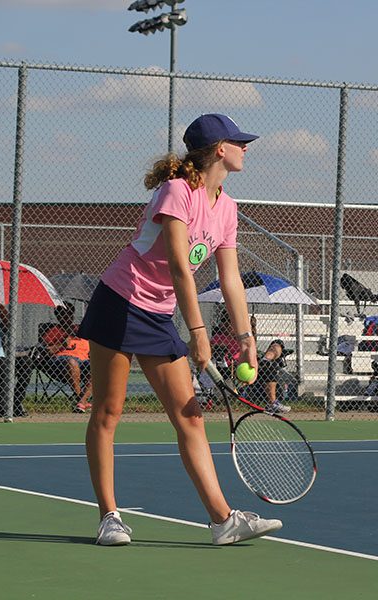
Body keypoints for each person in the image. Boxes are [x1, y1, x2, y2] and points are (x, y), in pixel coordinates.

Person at [77, 113, 281, 546]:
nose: (247, 148)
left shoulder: (226, 207)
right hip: (120, 301)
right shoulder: (177, 192)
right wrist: (199, 331)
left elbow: (230, 279)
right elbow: (178, 266)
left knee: (191, 416)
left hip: (159, 313)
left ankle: (223, 520)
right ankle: (109, 518)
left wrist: (246, 338)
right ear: (218, 150)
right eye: (238, 142)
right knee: (108, 412)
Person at [40, 302, 92, 413]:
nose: (67, 316)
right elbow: (46, 352)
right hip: (61, 363)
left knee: (98, 365)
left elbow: (92, 348)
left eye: (69, 314)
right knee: (72, 362)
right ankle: (80, 399)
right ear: (58, 317)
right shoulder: (53, 331)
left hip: (84, 361)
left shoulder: (81, 330)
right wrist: (62, 344)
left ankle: (81, 402)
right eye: (63, 314)